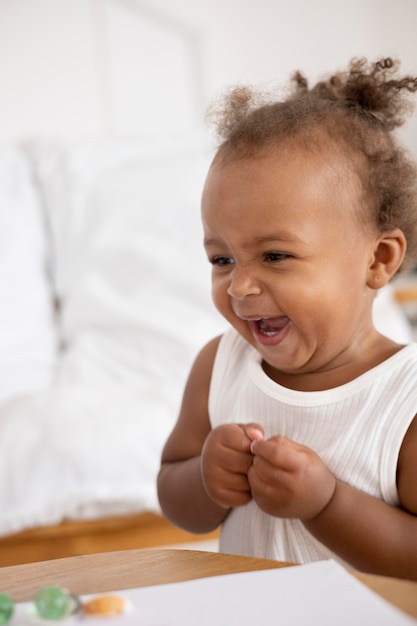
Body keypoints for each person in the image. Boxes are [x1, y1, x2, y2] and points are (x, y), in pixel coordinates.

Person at [157, 57, 417, 580]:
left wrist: (326, 504)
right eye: (221, 258)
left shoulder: (404, 401)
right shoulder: (221, 366)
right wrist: (206, 479)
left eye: (274, 256)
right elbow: (172, 494)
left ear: (378, 260)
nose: (240, 286)